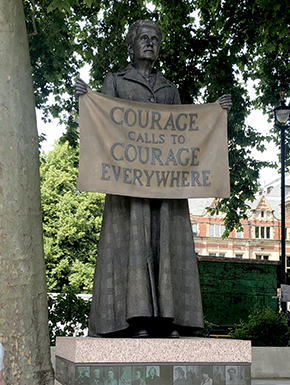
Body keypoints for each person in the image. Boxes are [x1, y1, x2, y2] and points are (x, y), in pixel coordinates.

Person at [75, 19, 232, 338]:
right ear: (131, 45)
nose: (150, 43)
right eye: (143, 38)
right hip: (128, 187)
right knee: (133, 245)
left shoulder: (169, 88)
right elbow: (103, 126)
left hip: (166, 187)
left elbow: (184, 134)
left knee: (166, 247)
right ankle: (132, 320)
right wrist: (86, 99)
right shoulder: (115, 81)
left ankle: (168, 320)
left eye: (155, 39)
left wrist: (216, 112)